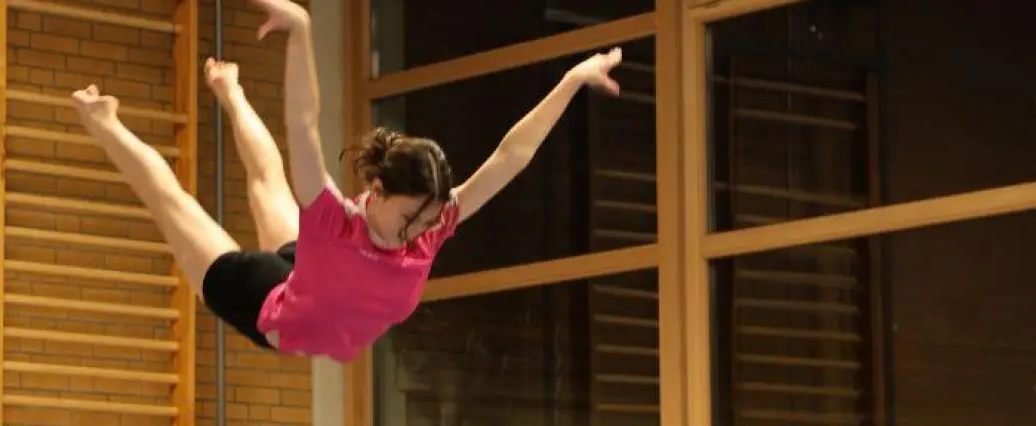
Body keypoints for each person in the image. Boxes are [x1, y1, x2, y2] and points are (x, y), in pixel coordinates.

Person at [70, 0, 623, 364]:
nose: (416, 234)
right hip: (265, 303)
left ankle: (230, 90)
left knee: (266, 184)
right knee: (174, 204)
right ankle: (106, 122)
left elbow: (512, 156)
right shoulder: (334, 220)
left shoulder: (432, 227)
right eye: (410, 217)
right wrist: (302, 33)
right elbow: (304, 126)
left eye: (428, 220)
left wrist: (572, 80)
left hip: (306, 279)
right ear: (376, 193)